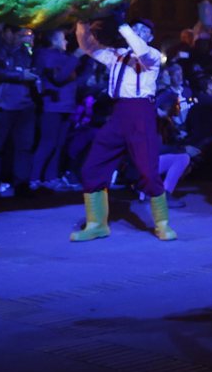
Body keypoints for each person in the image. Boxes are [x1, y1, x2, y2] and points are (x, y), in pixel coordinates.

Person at [71, 17, 175, 241]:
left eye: (142, 30)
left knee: (148, 169)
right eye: (134, 27)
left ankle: (163, 223)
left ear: (151, 37)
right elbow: (88, 46)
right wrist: (82, 19)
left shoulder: (152, 55)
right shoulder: (117, 54)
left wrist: (123, 26)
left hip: (141, 114)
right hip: (118, 113)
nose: (137, 32)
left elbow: (140, 50)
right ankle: (96, 224)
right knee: (93, 165)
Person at [0, 24, 40, 199]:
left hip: (25, 105)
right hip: (1, 104)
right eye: (20, 34)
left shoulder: (25, 50)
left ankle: (21, 184)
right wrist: (19, 75)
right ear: (7, 32)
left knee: (24, 146)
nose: (23, 37)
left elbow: (32, 68)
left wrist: (29, 52)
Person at [32, 27, 82, 190]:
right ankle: (34, 178)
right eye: (63, 38)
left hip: (66, 106)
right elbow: (59, 78)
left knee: (59, 144)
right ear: (53, 40)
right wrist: (75, 57)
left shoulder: (63, 56)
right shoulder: (46, 55)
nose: (66, 41)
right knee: (47, 143)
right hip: (52, 106)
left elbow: (74, 80)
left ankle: (50, 177)